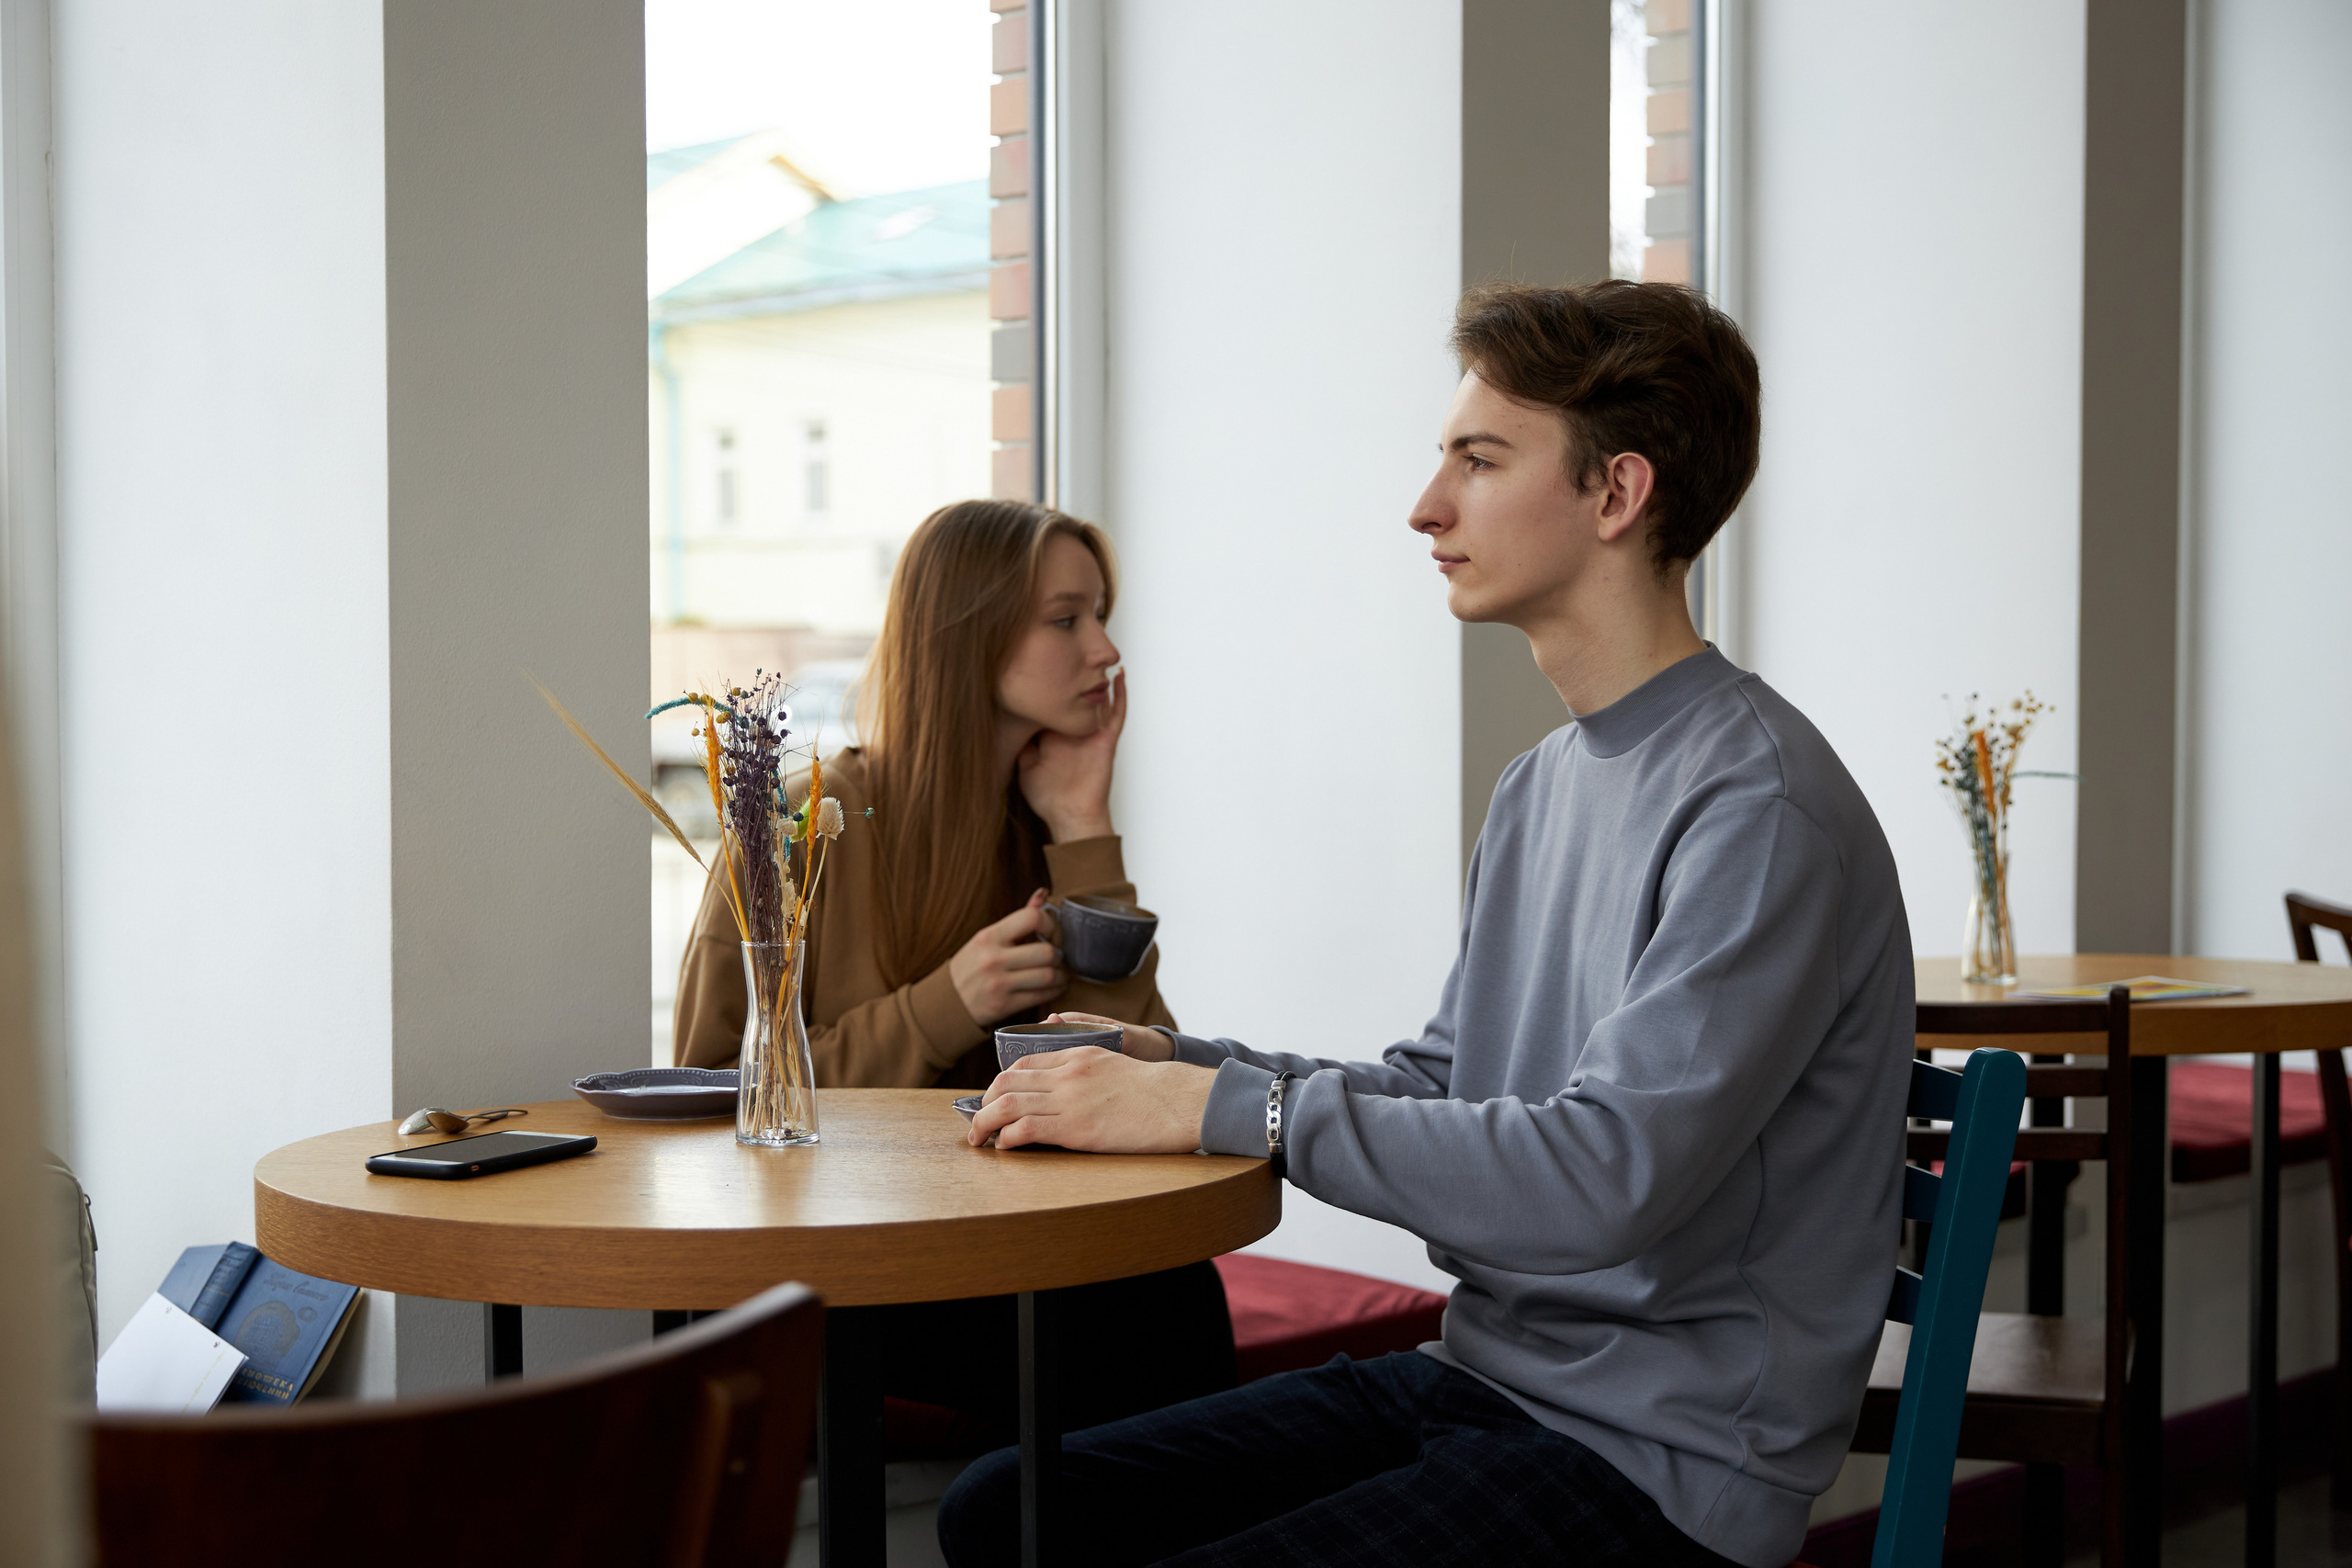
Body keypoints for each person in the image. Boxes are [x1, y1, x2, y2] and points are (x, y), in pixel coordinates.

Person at [939, 282, 1915, 1568]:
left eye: (1480, 458)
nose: (1427, 505)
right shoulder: (1543, 784)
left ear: (1617, 494)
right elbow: (1447, 1084)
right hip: (1492, 1382)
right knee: (1004, 1509)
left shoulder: (1759, 806)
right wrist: (1180, 1072)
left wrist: (1227, 1112)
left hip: (1657, 1465)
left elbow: (1602, 1180)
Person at [673, 498, 1233, 1444]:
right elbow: (709, 1099)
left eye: (1102, 614)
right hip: (850, 1270)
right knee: (1151, 1323)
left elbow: (1139, 1077)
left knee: (1169, 1297)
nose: (1105, 650)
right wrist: (943, 1007)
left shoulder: (1043, 832)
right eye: (1067, 619)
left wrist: (1085, 830)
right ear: (967, 636)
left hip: (1014, 1250)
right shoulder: (799, 830)